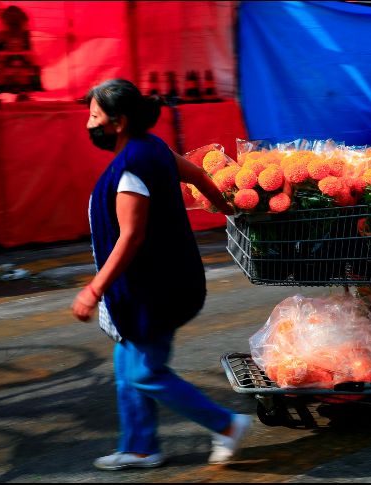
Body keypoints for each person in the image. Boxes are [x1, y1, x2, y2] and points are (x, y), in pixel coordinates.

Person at [70, 78, 252, 470]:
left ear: (117, 123)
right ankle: (139, 447)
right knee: (125, 367)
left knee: (144, 373)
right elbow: (200, 177)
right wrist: (228, 209)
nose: (89, 124)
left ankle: (226, 425)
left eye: (94, 117)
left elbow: (131, 237)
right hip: (159, 282)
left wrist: (93, 290)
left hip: (153, 291)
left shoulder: (130, 168)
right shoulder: (153, 148)